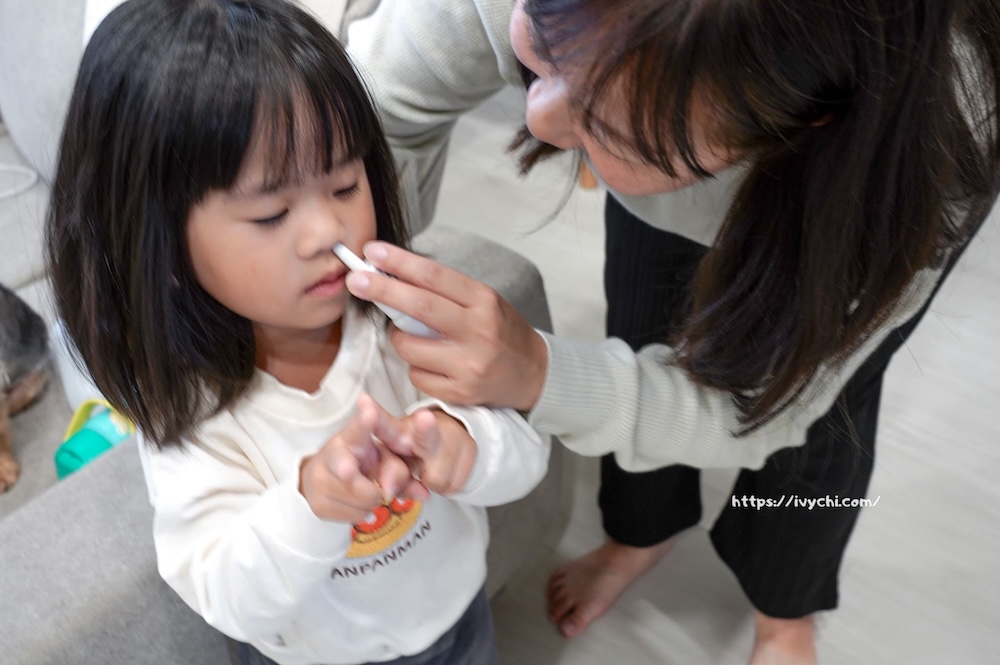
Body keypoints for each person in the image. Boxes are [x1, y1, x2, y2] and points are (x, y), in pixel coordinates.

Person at [343, 0, 1000, 662]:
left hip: (854, 205)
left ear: (801, 120)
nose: (538, 118)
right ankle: (640, 530)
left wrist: (543, 374)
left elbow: (754, 409)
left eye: (617, 133)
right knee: (638, 315)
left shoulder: (921, 162)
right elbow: (373, 115)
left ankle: (785, 605)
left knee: (821, 421)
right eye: (542, 34)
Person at [44, 1, 550, 664]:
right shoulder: (192, 407)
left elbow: (528, 448)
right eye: (271, 213)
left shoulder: (411, 319)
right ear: (158, 244)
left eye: (344, 184)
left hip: (454, 618)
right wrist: (313, 505)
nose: (327, 232)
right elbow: (222, 589)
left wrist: (469, 446)